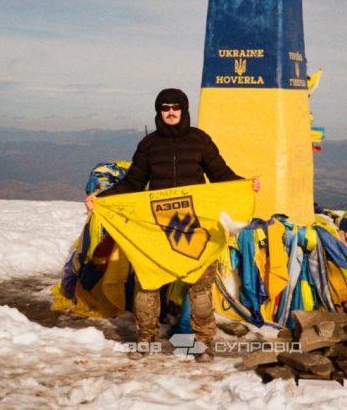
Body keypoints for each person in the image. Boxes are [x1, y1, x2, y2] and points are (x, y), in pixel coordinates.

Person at [85, 87, 259, 362]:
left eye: (175, 107)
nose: (170, 112)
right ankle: (146, 340)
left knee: (200, 288)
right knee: (148, 284)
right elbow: (133, 182)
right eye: (165, 108)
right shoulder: (149, 145)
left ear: (184, 110)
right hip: (157, 228)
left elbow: (220, 174)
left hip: (194, 227)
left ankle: (203, 344)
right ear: (159, 112)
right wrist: (102, 199)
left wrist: (244, 186)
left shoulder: (200, 140)